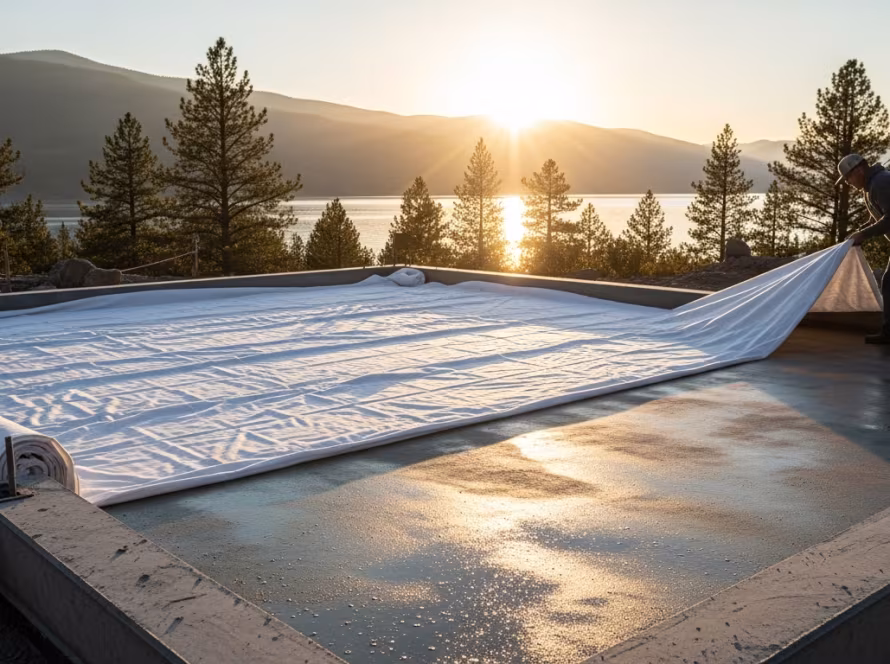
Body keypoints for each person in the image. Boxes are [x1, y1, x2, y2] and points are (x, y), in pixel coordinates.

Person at [838, 154, 890, 344]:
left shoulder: (881, 183)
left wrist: (863, 236)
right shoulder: (870, 187)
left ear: (858, 170)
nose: (847, 182)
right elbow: (878, 215)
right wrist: (860, 231)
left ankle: (888, 333)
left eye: (847, 177)